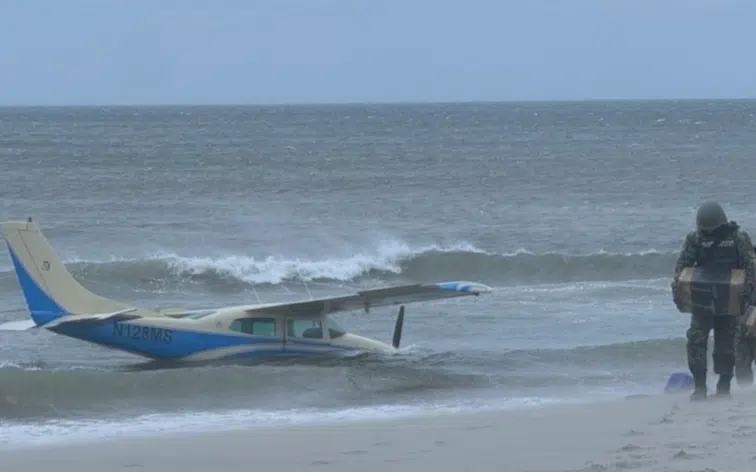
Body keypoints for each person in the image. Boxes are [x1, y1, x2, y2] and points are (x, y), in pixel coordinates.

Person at [671, 201, 756, 401]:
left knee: (726, 344)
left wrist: (746, 294)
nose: (708, 232)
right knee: (695, 341)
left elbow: (750, 268)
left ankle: (724, 386)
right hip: (702, 300)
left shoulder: (738, 238)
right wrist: (679, 293)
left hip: (730, 300)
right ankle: (700, 387)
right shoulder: (695, 238)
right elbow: (682, 267)